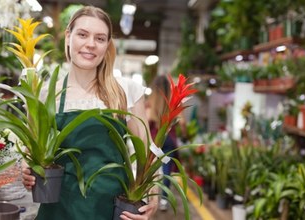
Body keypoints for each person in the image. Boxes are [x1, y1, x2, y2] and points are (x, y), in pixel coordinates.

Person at [21, 6, 158, 220]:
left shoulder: (124, 91)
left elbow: (149, 153)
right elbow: (32, 149)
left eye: (100, 38)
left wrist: (154, 198)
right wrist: (27, 168)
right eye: (83, 35)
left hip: (108, 209)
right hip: (58, 209)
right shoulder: (47, 93)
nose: (90, 44)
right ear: (68, 36)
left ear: (107, 45)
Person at [145, 75, 186, 211]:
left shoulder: (151, 100)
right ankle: (164, 199)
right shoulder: (172, 101)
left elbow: (148, 118)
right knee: (167, 170)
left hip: (154, 139)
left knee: (149, 167)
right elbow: (183, 122)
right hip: (169, 139)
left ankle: (148, 195)